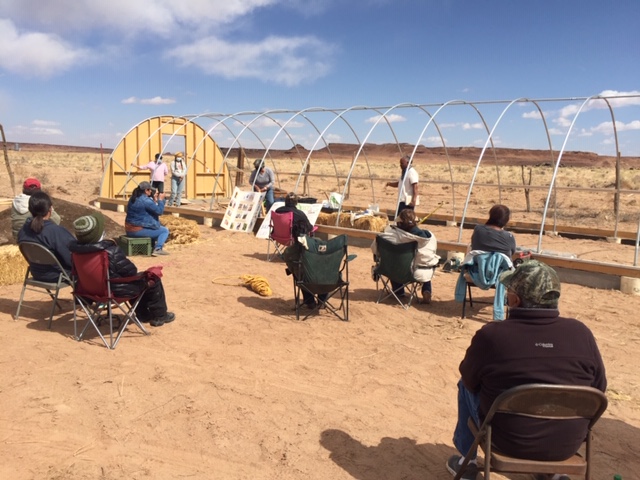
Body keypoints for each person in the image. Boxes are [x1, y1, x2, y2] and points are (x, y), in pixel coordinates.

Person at [447, 260, 607, 480]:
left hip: (507, 441)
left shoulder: (492, 335)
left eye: (509, 290)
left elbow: (470, 380)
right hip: (565, 445)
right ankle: (552, 472)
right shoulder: (581, 333)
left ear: (515, 299)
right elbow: (599, 388)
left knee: (464, 386)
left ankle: (469, 464)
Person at [69, 211, 176, 327]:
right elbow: (131, 271)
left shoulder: (75, 253)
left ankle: (143, 314)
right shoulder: (110, 252)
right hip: (112, 292)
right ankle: (159, 315)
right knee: (150, 279)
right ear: (98, 234)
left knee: (129, 281)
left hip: (87, 292)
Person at [371, 209, 439, 304]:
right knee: (424, 262)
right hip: (422, 273)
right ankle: (426, 290)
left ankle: (398, 291)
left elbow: (375, 249)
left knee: (395, 261)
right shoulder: (429, 237)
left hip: (399, 272)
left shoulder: (391, 235)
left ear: (399, 223)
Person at [17, 191, 75, 282]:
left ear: (30, 209)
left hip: (36, 273)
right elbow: (72, 258)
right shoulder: (56, 231)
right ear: (50, 209)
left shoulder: (23, 231)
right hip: (58, 275)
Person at [125, 181, 170, 256]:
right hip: (137, 230)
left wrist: (154, 200)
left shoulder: (133, 198)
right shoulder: (146, 201)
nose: (151, 192)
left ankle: (152, 246)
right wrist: (161, 200)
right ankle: (158, 248)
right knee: (164, 231)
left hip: (129, 229)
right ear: (146, 190)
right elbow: (159, 211)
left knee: (157, 227)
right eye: (150, 190)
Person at [11, 177, 61, 241]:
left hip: (18, 237)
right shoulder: (37, 202)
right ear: (39, 189)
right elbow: (57, 220)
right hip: (32, 239)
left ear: (24, 189)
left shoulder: (15, 201)